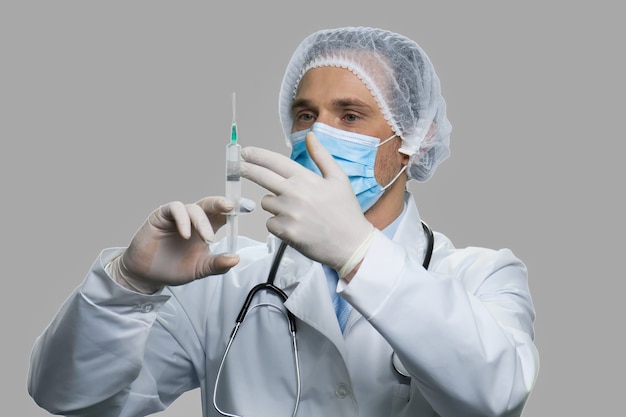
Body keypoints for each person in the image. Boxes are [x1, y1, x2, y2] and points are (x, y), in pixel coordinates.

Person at [28, 27, 539, 417]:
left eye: (351, 115)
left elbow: (496, 395)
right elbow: (70, 399)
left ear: (416, 139)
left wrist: (359, 254)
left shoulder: (481, 276)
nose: (319, 135)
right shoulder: (225, 279)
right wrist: (126, 287)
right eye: (305, 114)